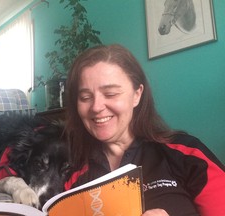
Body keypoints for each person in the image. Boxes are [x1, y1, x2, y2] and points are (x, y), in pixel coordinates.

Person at [64, 44, 225, 216]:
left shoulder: (186, 153)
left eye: (110, 94)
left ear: (137, 95)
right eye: (85, 97)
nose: (96, 107)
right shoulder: (74, 179)